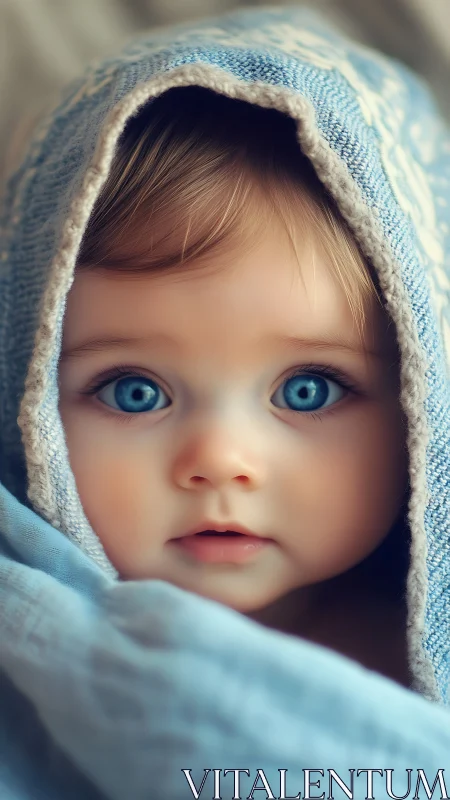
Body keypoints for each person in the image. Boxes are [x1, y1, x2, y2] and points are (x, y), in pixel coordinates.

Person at [0, 6, 449, 799]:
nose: (219, 461)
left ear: (421, 404)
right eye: (134, 391)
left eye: (307, 390)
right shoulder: (27, 660)